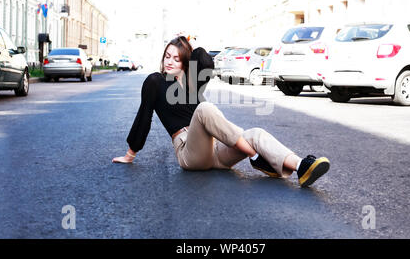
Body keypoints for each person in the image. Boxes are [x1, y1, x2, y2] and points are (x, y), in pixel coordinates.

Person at [112, 36, 330, 187]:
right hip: (190, 153)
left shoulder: (193, 84)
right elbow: (144, 116)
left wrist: (190, 45)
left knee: (255, 133)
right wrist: (130, 154)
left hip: (215, 153)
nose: (170, 61)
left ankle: (302, 167)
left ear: (186, 62)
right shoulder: (155, 82)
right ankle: (255, 157)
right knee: (205, 108)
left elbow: (205, 61)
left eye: (177, 58)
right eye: (167, 56)